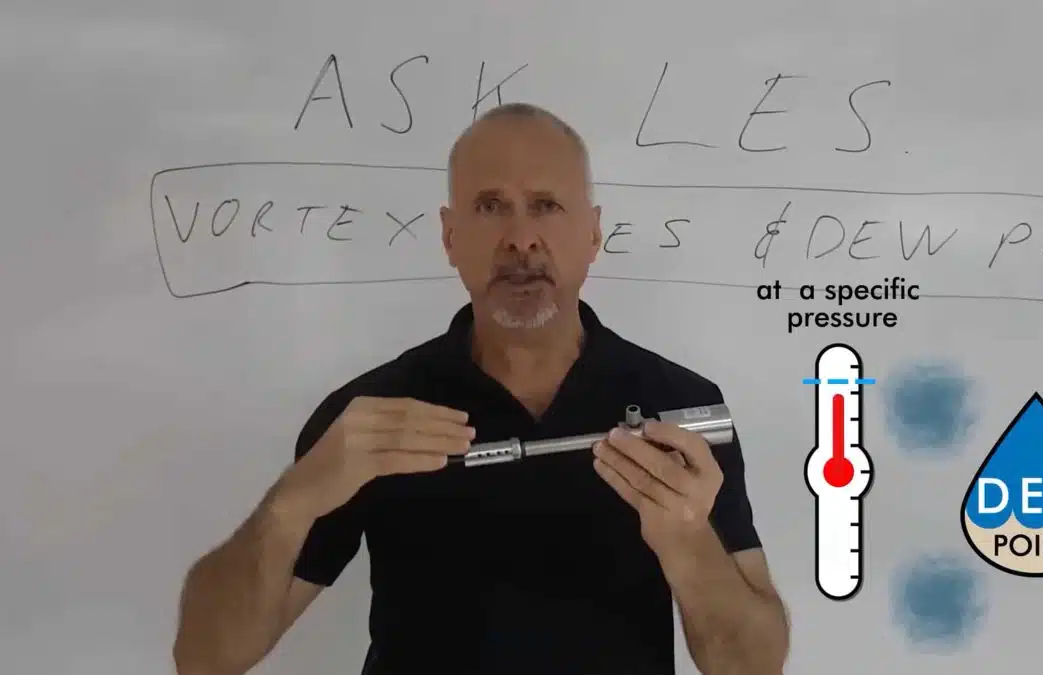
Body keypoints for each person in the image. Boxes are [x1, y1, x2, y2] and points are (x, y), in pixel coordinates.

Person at [172, 102, 790, 675]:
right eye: (491, 206)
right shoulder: (370, 416)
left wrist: (687, 543)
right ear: (449, 237)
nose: (521, 238)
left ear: (593, 233)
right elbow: (204, 659)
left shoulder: (683, 408)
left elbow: (752, 667)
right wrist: (292, 502)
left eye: (546, 205)